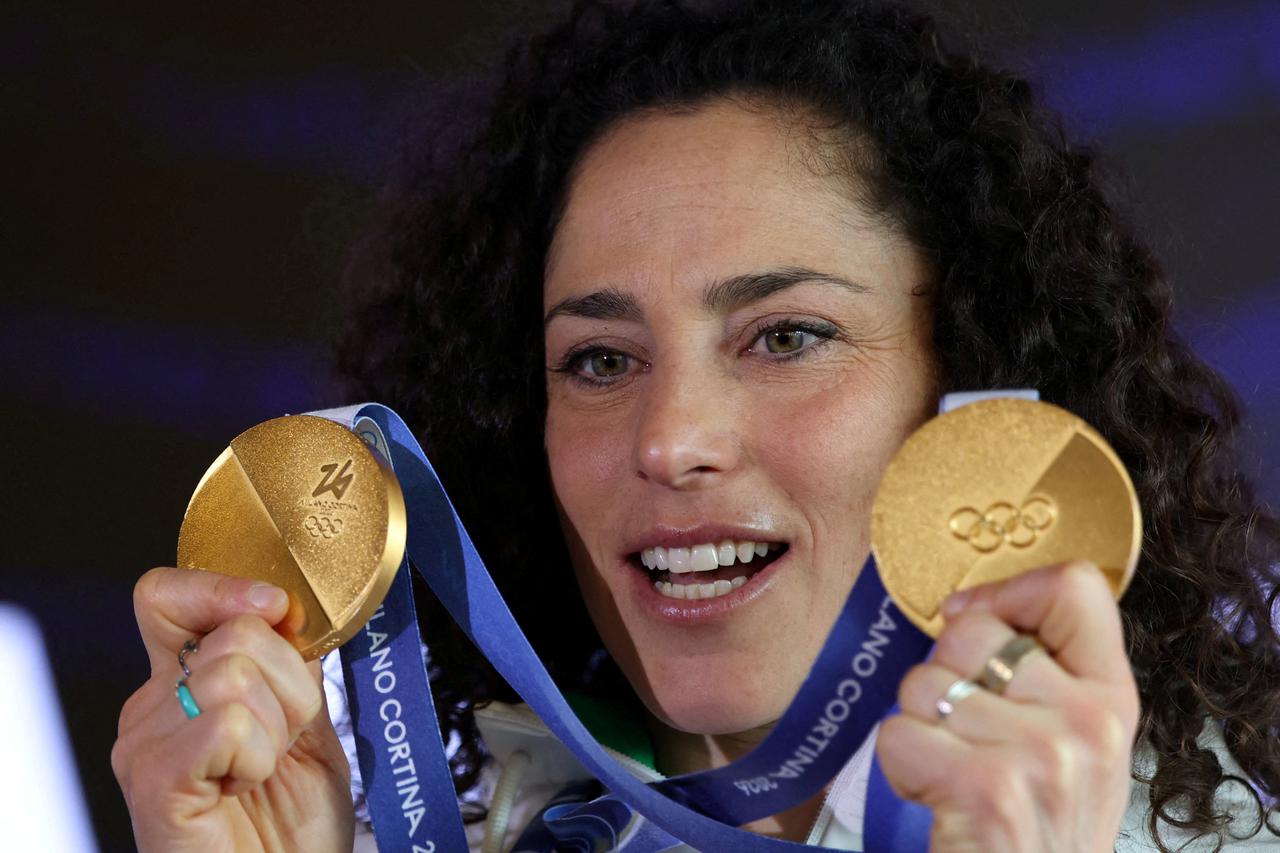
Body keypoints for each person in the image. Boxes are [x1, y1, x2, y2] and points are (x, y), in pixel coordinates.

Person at [111, 1, 1280, 850]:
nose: (669, 441)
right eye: (601, 359)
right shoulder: (420, 828)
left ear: (966, 387)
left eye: (784, 337)